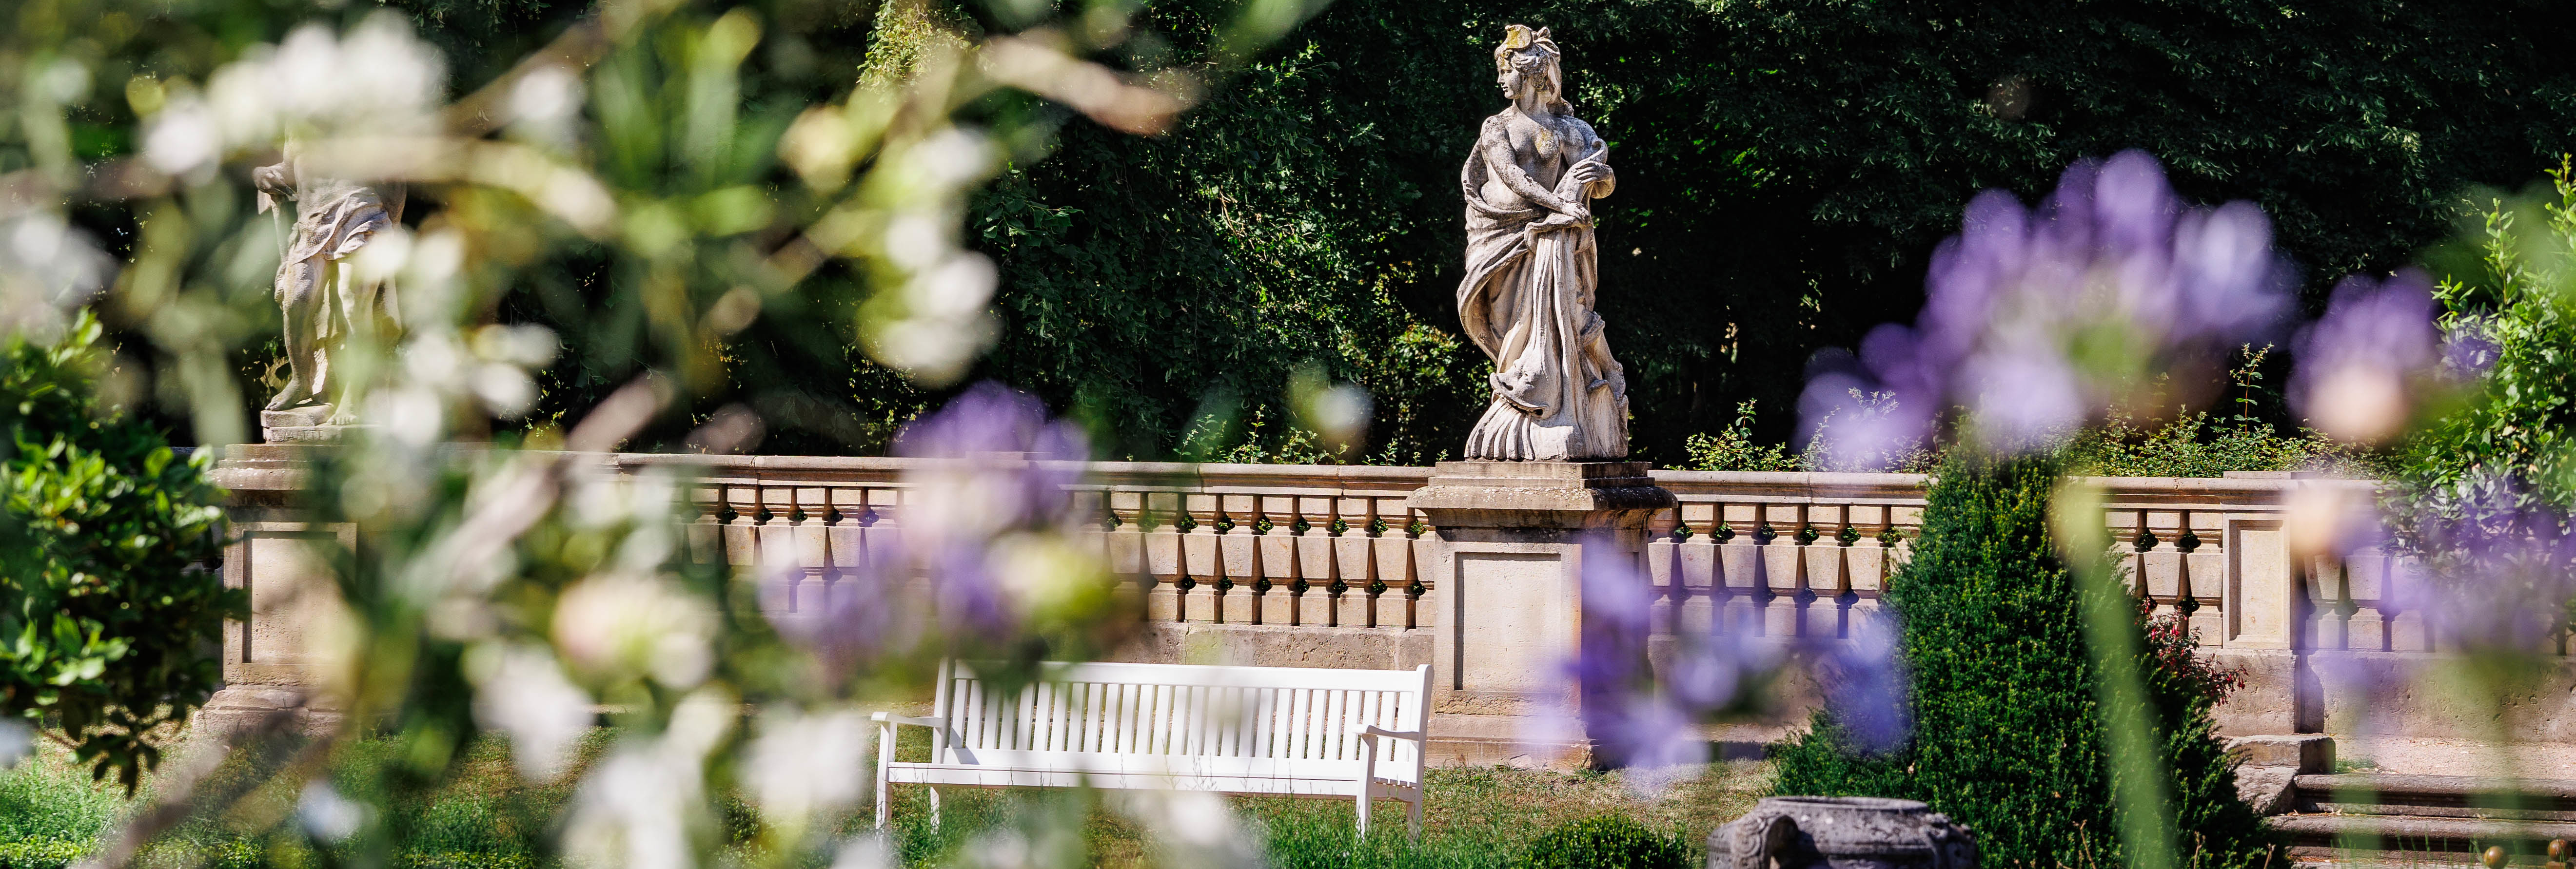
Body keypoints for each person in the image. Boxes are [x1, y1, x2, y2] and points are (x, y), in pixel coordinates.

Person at [1455, 24, 1629, 461]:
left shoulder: (1568, 130)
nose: (1499, 80)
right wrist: (1560, 204)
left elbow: (1602, 173)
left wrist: (1594, 180)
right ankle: (1521, 394)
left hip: (1552, 240)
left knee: (1567, 310)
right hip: (1500, 238)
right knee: (1506, 325)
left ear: (1531, 75)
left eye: (1505, 70)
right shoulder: (1496, 127)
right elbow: (1512, 175)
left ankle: (1596, 378)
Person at [253, 146, 401, 425]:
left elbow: (396, 175)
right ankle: (300, 380)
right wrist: (263, 174)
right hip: (312, 220)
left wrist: (394, 225)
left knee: (353, 301)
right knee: (296, 299)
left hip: (362, 213)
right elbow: (290, 166)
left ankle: (353, 394)